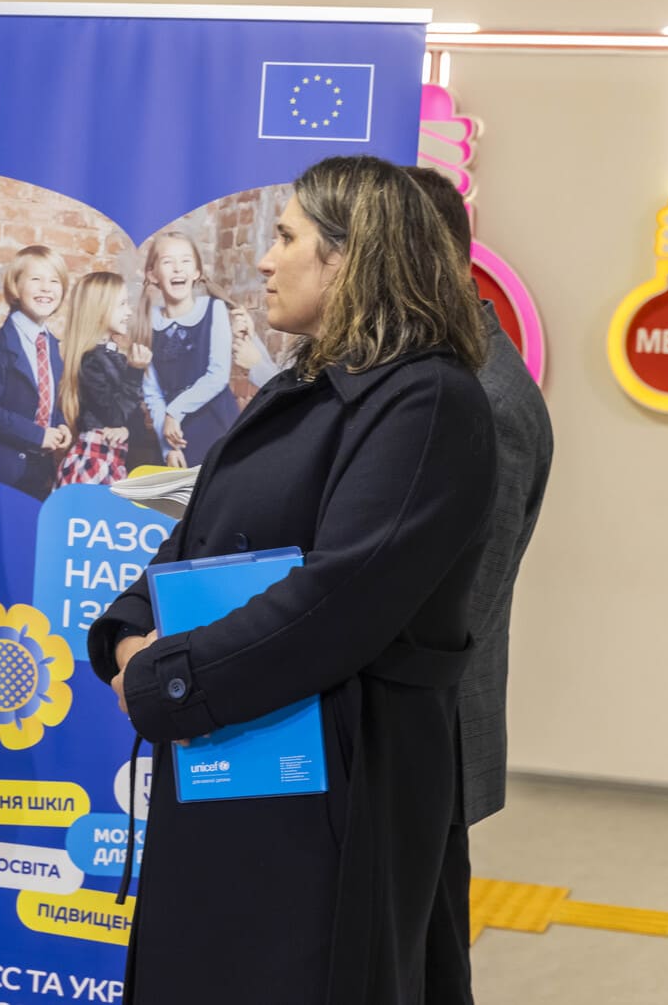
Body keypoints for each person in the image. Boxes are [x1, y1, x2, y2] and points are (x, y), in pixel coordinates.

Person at [87, 155, 496, 1003]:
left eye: (286, 238)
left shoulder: (427, 401)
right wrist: (127, 635)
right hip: (235, 752)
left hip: (337, 783)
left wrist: (169, 677)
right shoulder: (304, 383)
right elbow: (194, 539)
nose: (264, 260)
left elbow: (340, 598)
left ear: (350, 257)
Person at [404, 165, 555, 1005]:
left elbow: (460, 602)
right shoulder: (440, 371)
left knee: (428, 964)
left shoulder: (485, 397)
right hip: (407, 734)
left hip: (429, 734)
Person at [0, 244, 73, 498]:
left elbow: (46, 400)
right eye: (36, 279)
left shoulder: (51, 345)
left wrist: (61, 424)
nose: (46, 288)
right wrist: (37, 435)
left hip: (38, 472)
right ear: (15, 287)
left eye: (54, 281)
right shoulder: (0, 346)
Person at [129, 230, 238, 468]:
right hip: (175, 436)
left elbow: (218, 375)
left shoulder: (214, 309)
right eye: (168, 262)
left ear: (197, 271)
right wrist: (167, 448)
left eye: (186, 261)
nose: (178, 268)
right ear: (153, 274)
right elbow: (153, 393)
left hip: (218, 426)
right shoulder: (147, 322)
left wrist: (174, 412)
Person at [54, 271, 152, 486]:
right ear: (99, 310)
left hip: (112, 460)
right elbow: (114, 414)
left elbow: (135, 419)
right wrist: (135, 372)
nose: (129, 311)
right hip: (93, 461)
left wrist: (126, 430)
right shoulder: (90, 362)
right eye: (122, 304)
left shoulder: (116, 357)